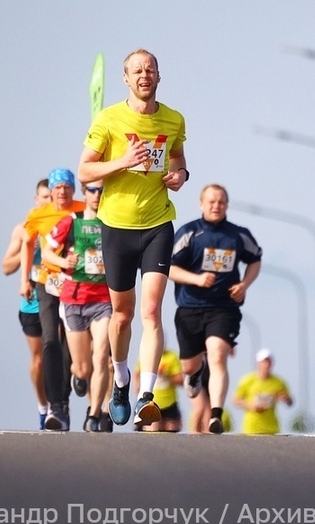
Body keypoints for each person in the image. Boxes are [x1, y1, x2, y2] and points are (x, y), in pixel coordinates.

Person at [77, 48, 189, 428]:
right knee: (122, 316)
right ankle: (121, 380)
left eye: (150, 69)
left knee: (152, 311)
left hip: (158, 224)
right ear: (126, 78)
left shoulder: (173, 119)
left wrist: (180, 176)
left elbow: (177, 159)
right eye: (137, 71)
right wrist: (123, 161)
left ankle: (146, 394)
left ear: (159, 76)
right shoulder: (108, 119)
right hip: (117, 227)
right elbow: (85, 172)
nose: (145, 75)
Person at [169, 184, 261, 434]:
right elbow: (168, 268)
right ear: (201, 204)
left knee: (218, 355)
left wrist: (244, 284)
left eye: (220, 202)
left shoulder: (238, 235)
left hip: (224, 308)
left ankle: (216, 414)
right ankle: (194, 375)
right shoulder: (189, 233)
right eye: (211, 201)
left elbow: (255, 260)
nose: (216, 206)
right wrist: (197, 279)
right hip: (190, 308)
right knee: (189, 365)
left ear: (226, 205)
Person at [40, 180, 114, 432]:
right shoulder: (71, 221)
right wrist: (63, 261)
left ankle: (94, 415)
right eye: (93, 190)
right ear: (85, 193)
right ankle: (79, 377)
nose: (98, 195)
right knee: (82, 367)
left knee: (102, 357)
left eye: (103, 190)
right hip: (74, 300)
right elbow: (47, 251)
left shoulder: (113, 223)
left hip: (103, 300)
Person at [20, 168, 85, 431]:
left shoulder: (83, 208)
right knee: (50, 341)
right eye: (57, 187)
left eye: (66, 187)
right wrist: (24, 279)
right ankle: (54, 405)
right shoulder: (38, 215)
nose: (61, 192)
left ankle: (64, 399)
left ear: (73, 190)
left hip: (75, 283)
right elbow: (27, 244)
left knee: (70, 343)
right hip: (46, 282)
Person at [1, 178, 51, 429]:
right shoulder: (23, 229)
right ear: (36, 200)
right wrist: (26, 248)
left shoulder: (67, 224)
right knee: (39, 359)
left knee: (64, 356)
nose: (49, 201)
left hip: (59, 298)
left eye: (52, 197)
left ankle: (58, 405)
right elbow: (5, 267)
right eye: (45, 197)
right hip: (32, 303)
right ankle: (43, 407)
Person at [233, 349, 293, 435]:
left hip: (272, 428)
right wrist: (250, 406)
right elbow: (235, 400)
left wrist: (286, 399)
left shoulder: (279, 382)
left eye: (269, 361)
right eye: (264, 361)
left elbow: (290, 402)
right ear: (258, 363)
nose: (267, 364)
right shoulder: (247, 380)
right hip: (251, 428)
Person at [133, 343, 184, 432]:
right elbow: (136, 372)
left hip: (169, 403)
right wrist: (137, 387)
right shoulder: (146, 355)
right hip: (150, 403)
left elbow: (181, 380)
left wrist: (166, 376)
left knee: (172, 430)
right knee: (152, 430)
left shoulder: (172, 356)